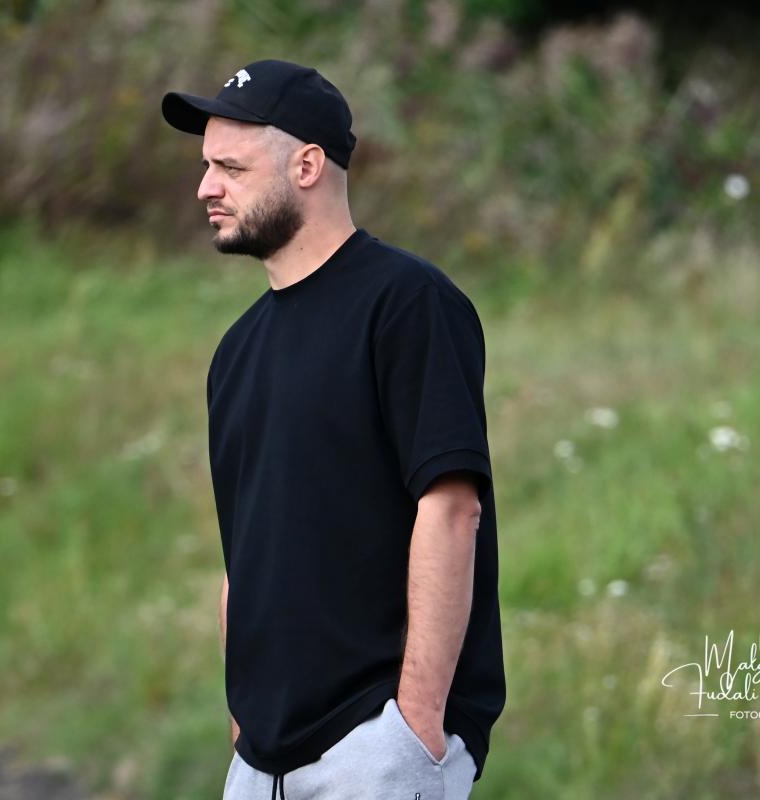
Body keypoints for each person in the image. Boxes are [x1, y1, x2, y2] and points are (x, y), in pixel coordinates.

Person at [161, 59, 505, 799]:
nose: (206, 188)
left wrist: (415, 726)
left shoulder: (406, 303)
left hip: (373, 750)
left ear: (308, 166)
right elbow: (243, 552)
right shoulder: (236, 351)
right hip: (259, 763)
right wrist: (243, 728)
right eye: (206, 166)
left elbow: (452, 508)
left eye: (231, 168)